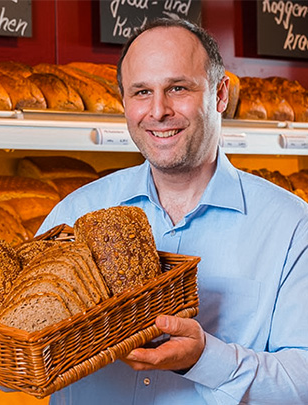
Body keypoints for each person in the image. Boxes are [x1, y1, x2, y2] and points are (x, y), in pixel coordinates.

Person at [38, 18, 308, 405]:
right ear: (124, 102)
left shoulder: (290, 226)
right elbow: (19, 346)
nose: (158, 111)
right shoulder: (77, 212)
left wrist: (205, 358)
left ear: (220, 95)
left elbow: (303, 379)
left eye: (178, 88)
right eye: (141, 92)